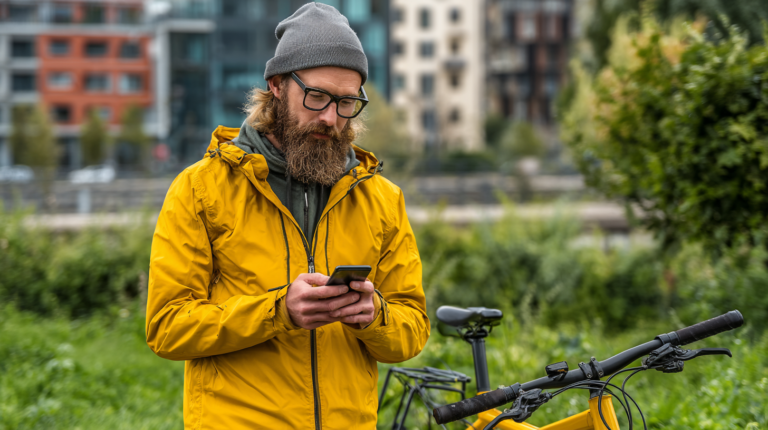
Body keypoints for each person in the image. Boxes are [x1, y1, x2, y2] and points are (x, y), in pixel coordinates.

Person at [145, 3, 430, 429]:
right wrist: (279, 311)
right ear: (277, 86)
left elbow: (413, 327)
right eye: (316, 97)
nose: (331, 117)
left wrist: (374, 316)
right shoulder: (200, 189)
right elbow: (168, 327)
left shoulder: (382, 199)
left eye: (347, 102)